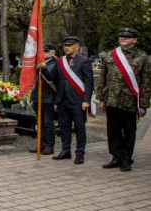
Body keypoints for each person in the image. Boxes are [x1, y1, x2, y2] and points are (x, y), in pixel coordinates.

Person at [97, 28, 150, 172]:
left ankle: (126, 159)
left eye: (127, 37)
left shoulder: (142, 57)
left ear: (134, 40)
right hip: (112, 99)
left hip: (129, 100)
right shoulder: (110, 55)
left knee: (128, 131)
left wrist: (143, 104)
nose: (123, 39)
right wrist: (101, 97)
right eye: (121, 36)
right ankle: (116, 156)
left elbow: (146, 82)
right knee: (113, 130)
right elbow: (102, 77)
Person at [52, 36, 93, 164]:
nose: (66, 48)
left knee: (79, 127)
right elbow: (53, 77)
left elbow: (89, 82)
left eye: (69, 45)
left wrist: (86, 100)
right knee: (64, 127)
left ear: (76, 46)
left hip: (78, 100)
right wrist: (41, 66)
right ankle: (66, 151)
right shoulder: (60, 61)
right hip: (62, 100)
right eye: (65, 45)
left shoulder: (84, 61)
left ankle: (79, 153)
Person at [30, 43, 58, 155]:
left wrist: (42, 67)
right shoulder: (38, 64)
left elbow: (51, 78)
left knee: (48, 123)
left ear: (52, 53)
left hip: (48, 98)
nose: (42, 54)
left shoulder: (55, 64)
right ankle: (40, 144)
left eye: (45, 52)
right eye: (41, 52)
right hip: (38, 97)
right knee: (39, 123)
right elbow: (35, 83)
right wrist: (33, 97)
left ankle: (49, 146)